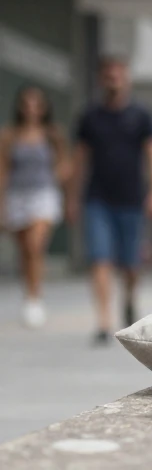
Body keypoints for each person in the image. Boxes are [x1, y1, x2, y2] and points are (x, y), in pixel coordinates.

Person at [70, 58, 152, 344]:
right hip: (97, 198)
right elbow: (79, 159)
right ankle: (103, 320)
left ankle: (128, 296)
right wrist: (72, 198)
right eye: (108, 74)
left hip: (132, 199)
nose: (113, 78)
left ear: (126, 78)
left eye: (118, 73)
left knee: (131, 263)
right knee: (99, 257)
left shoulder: (141, 116)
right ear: (101, 79)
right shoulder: (90, 117)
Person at [0, 85, 71, 328]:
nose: (31, 109)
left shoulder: (52, 134)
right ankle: (29, 293)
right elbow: (3, 170)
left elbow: (64, 162)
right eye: (27, 103)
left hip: (43, 195)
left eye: (36, 104)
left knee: (35, 246)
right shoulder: (10, 135)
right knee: (24, 252)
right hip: (17, 196)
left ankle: (35, 298)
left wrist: (60, 174)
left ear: (43, 108)